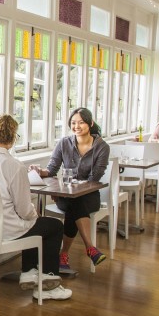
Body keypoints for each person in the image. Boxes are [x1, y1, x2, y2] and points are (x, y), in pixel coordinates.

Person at [0, 115, 71, 301]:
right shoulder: (14, 165)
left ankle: (29, 272)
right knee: (53, 226)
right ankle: (48, 285)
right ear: (13, 137)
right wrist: (34, 214)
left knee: (33, 223)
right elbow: (24, 210)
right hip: (3, 231)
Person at [30, 107, 110, 272]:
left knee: (76, 203)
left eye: (81, 122)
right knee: (74, 203)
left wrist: (71, 190)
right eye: (73, 123)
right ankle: (90, 249)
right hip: (66, 197)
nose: (77, 126)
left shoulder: (102, 147)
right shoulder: (64, 143)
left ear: (90, 123)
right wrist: (39, 171)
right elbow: (51, 170)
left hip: (89, 196)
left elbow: (95, 178)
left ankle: (64, 253)